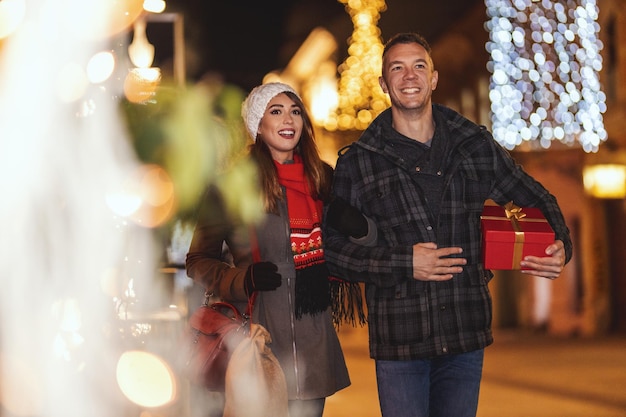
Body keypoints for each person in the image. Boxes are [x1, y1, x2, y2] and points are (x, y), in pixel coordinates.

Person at [322, 32, 573, 417]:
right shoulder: (359, 161)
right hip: (400, 341)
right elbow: (333, 251)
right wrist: (404, 263)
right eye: (397, 68)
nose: (410, 76)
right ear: (383, 83)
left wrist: (560, 245)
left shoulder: (474, 144)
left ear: (433, 78)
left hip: (464, 333)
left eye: (419, 66)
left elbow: (538, 200)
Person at [186, 82, 360, 417]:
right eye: (276, 111)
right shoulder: (232, 185)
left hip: (313, 339)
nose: (288, 120)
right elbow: (197, 260)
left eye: (295, 111)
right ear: (258, 125)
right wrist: (243, 278)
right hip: (258, 337)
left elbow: (347, 248)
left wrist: (359, 229)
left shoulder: (321, 177)